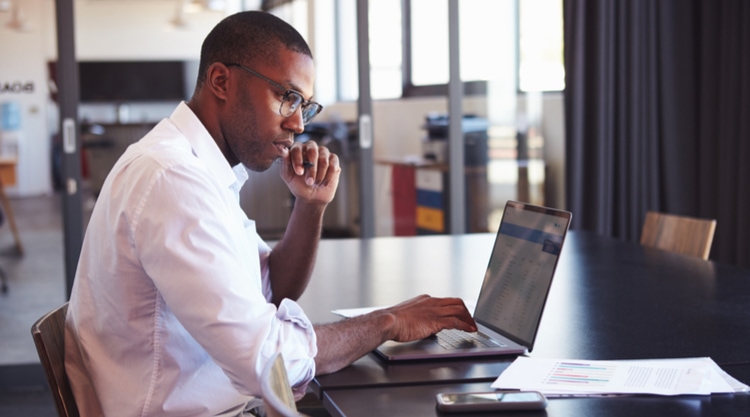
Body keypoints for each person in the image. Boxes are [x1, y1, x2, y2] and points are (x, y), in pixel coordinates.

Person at [64, 10, 476, 417]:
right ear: (222, 81)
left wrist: (310, 205)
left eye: (306, 106)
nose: (298, 123)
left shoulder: (200, 171)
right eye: (287, 97)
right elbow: (267, 363)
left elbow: (272, 287)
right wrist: (387, 322)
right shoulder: (173, 178)